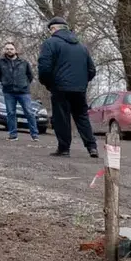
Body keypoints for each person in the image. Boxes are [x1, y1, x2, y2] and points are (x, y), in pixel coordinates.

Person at [37, 17, 98, 158]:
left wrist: (49, 84)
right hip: (79, 89)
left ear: (53, 29)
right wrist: (82, 82)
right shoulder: (81, 47)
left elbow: (44, 68)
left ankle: (64, 148)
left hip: (60, 87)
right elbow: (91, 70)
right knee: (82, 117)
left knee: (62, 117)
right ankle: (92, 147)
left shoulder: (50, 43)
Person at [0, 42, 40, 142]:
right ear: (4, 50)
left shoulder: (24, 62)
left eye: (11, 49)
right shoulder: (0, 62)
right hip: (8, 91)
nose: (9, 51)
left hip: (23, 91)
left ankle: (35, 135)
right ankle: (13, 135)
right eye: (7, 49)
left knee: (29, 112)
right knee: (10, 113)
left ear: (15, 50)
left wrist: (24, 84)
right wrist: (5, 82)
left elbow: (30, 75)